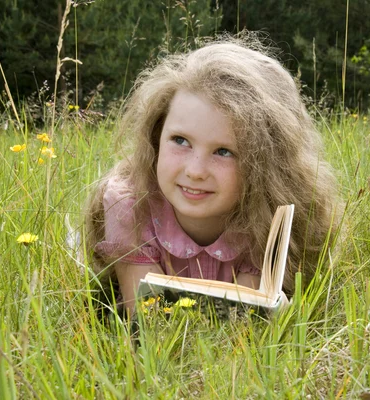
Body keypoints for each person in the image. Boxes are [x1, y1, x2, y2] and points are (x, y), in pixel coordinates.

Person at [84, 34, 342, 315]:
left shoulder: (267, 214)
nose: (195, 171)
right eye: (180, 141)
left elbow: (240, 331)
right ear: (157, 136)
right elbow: (147, 321)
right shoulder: (129, 206)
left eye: (223, 151)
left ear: (265, 166)